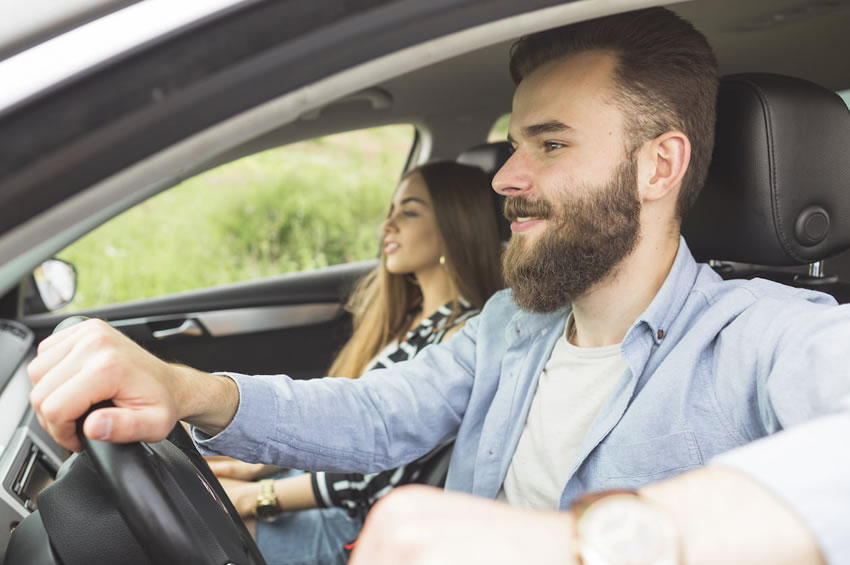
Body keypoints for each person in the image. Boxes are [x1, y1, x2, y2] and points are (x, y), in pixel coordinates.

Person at [27, 7, 850, 565]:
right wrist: (186, 388)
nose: (505, 177)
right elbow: (376, 415)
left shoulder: (768, 335)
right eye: (510, 144)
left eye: (550, 145)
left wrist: (591, 542)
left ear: (658, 164)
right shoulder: (511, 323)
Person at [208, 159, 504, 565]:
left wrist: (258, 498)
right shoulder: (410, 317)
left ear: (457, 227)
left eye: (410, 212)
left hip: (355, 524)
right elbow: (343, 427)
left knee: (197, 524)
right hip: (326, 495)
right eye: (390, 211)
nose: (388, 226)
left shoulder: (459, 337)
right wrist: (257, 470)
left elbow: (380, 465)